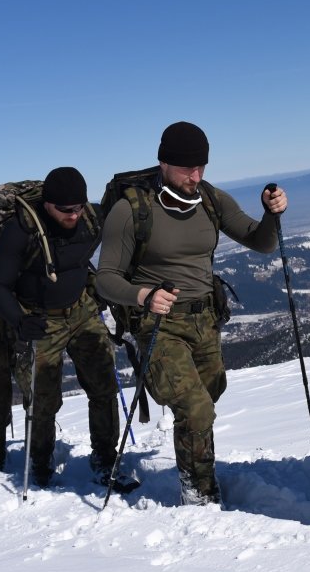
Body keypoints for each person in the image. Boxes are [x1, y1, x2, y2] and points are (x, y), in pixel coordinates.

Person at [96, 121, 288, 506]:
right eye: (187, 168)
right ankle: (199, 495)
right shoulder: (131, 209)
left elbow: (262, 242)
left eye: (201, 166)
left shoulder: (211, 199)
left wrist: (271, 214)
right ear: (164, 163)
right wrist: (143, 294)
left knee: (206, 401)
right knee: (196, 408)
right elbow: (105, 278)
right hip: (159, 323)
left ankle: (201, 475)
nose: (195, 175)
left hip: (205, 320)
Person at [0, 166, 133, 490]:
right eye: (66, 210)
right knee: (42, 399)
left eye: (79, 207)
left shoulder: (91, 218)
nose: (74, 215)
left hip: (81, 309)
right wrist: (19, 320)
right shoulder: (21, 231)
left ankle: (106, 459)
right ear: (48, 204)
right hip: (38, 318)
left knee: (104, 385)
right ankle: (40, 463)